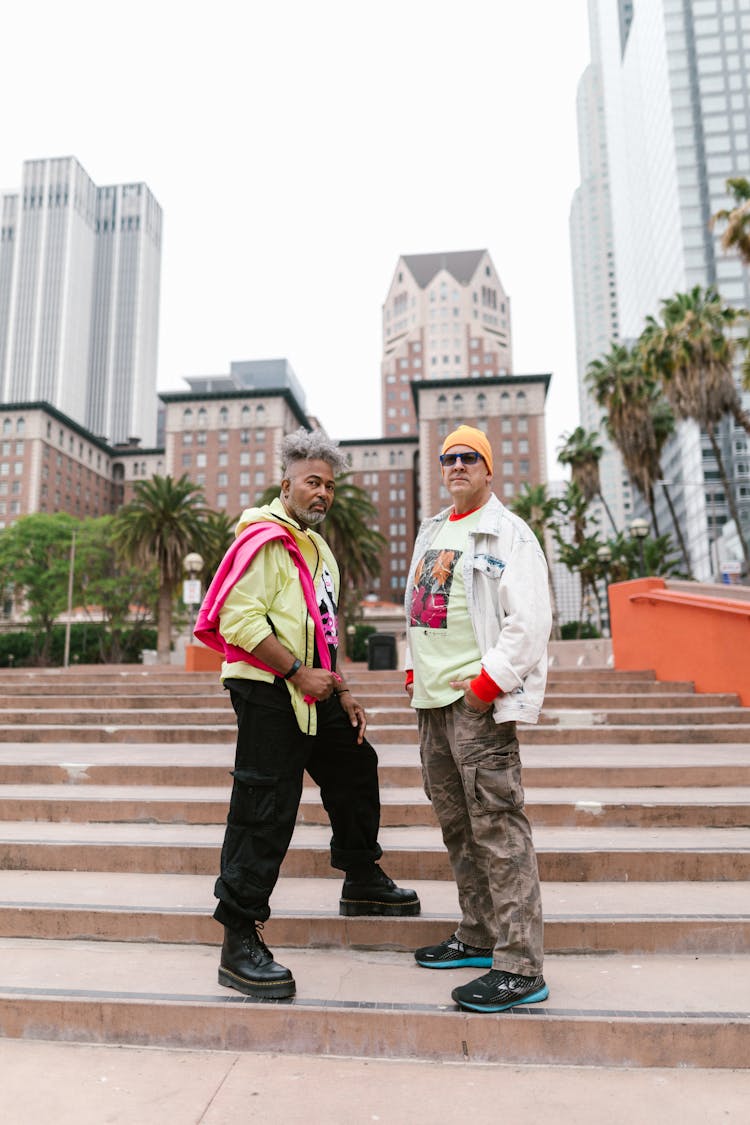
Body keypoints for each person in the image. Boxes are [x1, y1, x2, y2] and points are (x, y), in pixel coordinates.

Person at [195, 428, 419, 1000]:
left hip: (312, 687)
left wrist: (337, 686)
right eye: (312, 482)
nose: (322, 493)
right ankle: (239, 939)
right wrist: (297, 672)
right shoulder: (265, 541)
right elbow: (239, 623)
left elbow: (321, 630)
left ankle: (361, 876)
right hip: (268, 688)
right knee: (265, 803)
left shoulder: (319, 551)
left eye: (330, 485)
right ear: (286, 484)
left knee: (354, 764)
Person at [404, 424, 551, 1014]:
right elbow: (424, 607)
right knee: (457, 824)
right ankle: (478, 933)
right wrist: (417, 673)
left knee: (498, 827)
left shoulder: (509, 534)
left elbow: (529, 623)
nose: (457, 465)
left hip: (478, 706)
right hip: (433, 704)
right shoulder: (433, 530)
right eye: (449, 458)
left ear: (489, 470)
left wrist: (486, 685)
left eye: (470, 458)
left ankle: (520, 966)